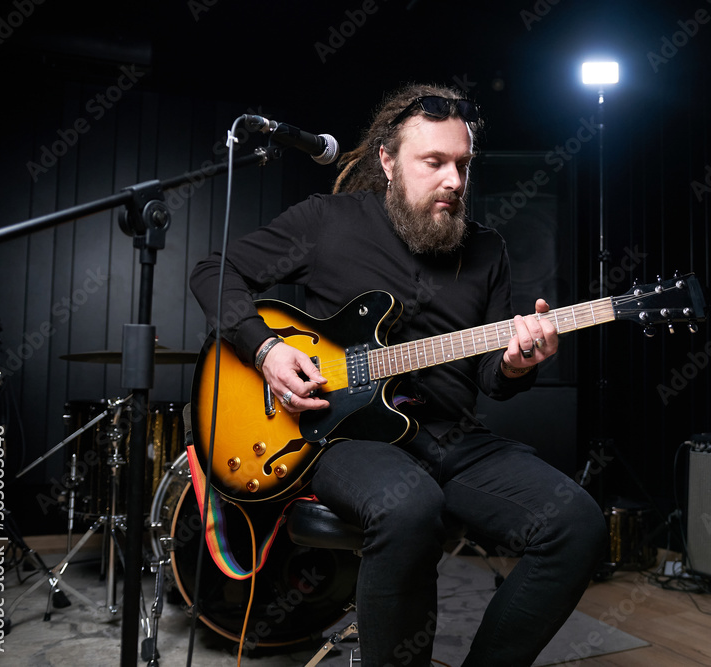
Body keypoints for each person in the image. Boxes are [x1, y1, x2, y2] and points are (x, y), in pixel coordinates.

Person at [190, 83, 607, 667]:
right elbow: (215, 271)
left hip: (451, 436)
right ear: (387, 162)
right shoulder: (326, 222)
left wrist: (516, 363)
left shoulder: (488, 250)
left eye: (461, 164)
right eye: (433, 162)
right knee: (409, 508)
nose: (454, 181)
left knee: (577, 524)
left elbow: (493, 377)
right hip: (343, 435)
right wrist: (265, 351)